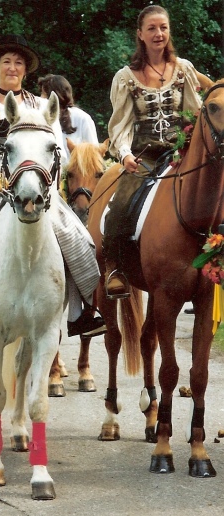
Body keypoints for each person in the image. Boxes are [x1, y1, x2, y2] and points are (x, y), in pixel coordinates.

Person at [0, 35, 106, 346]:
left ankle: (81, 311)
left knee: (78, 236)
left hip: (36, 181)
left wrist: (41, 179)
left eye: (19, 63)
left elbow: (56, 151)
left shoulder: (41, 105)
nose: (12, 67)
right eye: (7, 62)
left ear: (25, 71)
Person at [104, 5, 209, 298]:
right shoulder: (126, 77)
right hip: (145, 156)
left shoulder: (183, 69)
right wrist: (125, 154)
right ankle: (116, 268)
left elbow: (196, 112)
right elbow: (120, 125)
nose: (158, 33)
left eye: (163, 27)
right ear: (140, 34)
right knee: (122, 202)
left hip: (183, 152)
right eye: (151, 28)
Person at [38, 74, 99, 163]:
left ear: (55, 96)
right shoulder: (40, 119)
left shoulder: (82, 118)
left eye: (43, 94)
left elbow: (94, 153)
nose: (40, 98)